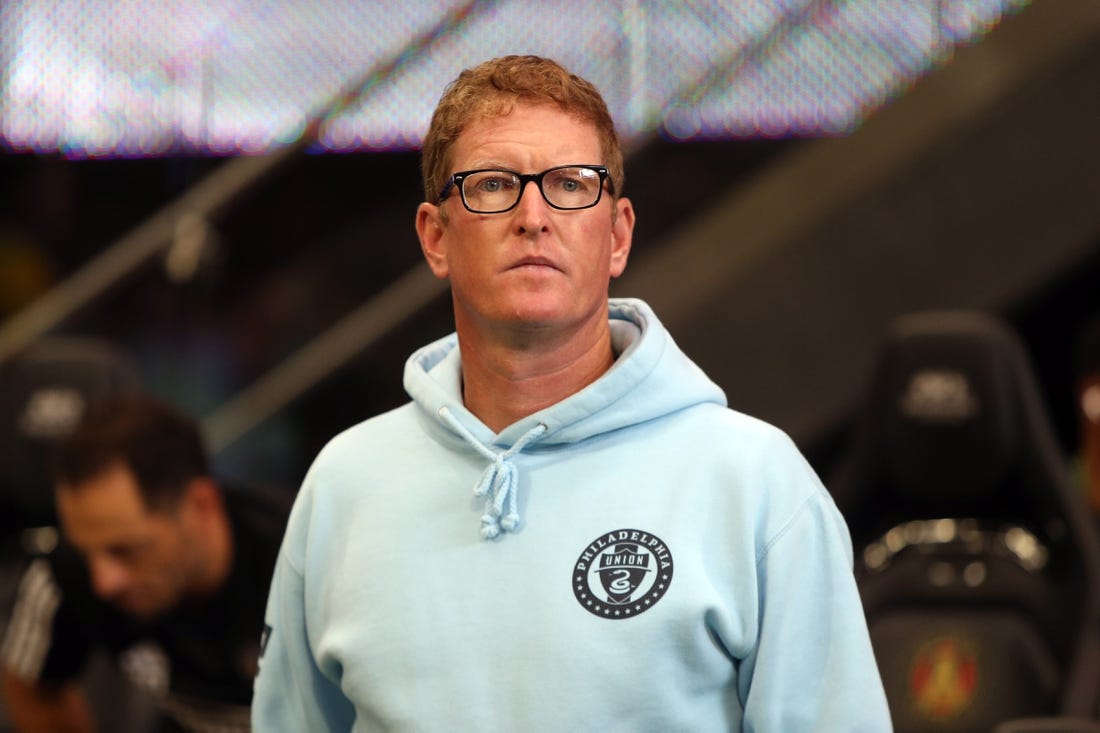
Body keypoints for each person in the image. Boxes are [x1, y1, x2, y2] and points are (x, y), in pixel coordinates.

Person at [253, 55, 891, 731]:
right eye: (494, 184)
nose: (533, 216)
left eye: (569, 184)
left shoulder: (757, 485)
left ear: (617, 235)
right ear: (436, 238)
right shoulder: (343, 487)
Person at [1, 393, 290, 732]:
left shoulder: (307, 564)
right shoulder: (67, 571)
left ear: (201, 505)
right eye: (85, 549)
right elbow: (30, 681)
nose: (103, 582)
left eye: (126, 550)